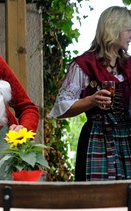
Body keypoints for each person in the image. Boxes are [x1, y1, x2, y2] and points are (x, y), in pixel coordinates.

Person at [49, 6, 131, 181]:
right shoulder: (83, 65)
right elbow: (61, 108)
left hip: (128, 140)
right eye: (128, 30)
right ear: (114, 29)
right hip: (97, 139)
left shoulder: (129, 65)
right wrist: (91, 101)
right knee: (97, 199)